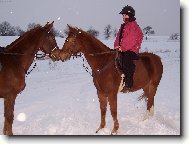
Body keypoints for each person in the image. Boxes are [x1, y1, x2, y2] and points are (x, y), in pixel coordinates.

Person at [114, 5, 143, 88]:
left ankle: (128, 82)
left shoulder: (133, 26)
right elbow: (118, 36)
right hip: (122, 49)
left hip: (131, 50)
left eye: (125, 15)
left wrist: (122, 48)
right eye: (123, 15)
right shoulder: (123, 26)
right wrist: (116, 45)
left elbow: (131, 39)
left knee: (126, 60)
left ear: (130, 15)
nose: (123, 17)